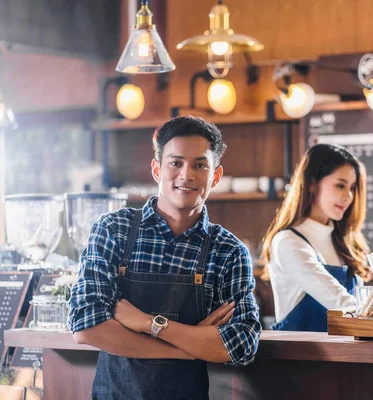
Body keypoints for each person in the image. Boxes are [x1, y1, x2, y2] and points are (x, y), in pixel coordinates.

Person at [68, 116, 261, 399]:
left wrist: (149, 323)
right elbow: (86, 325)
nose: (187, 175)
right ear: (157, 169)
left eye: (200, 165)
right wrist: (188, 348)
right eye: (176, 163)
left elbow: (241, 345)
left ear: (215, 176)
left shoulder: (228, 251)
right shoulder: (114, 230)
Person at [261, 143, 371, 332]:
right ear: (312, 183)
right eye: (340, 185)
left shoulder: (343, 242)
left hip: (349, 355)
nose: (349, 196)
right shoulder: (289, 242)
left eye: (352, 188)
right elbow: (340, 301)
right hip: (302, 359)